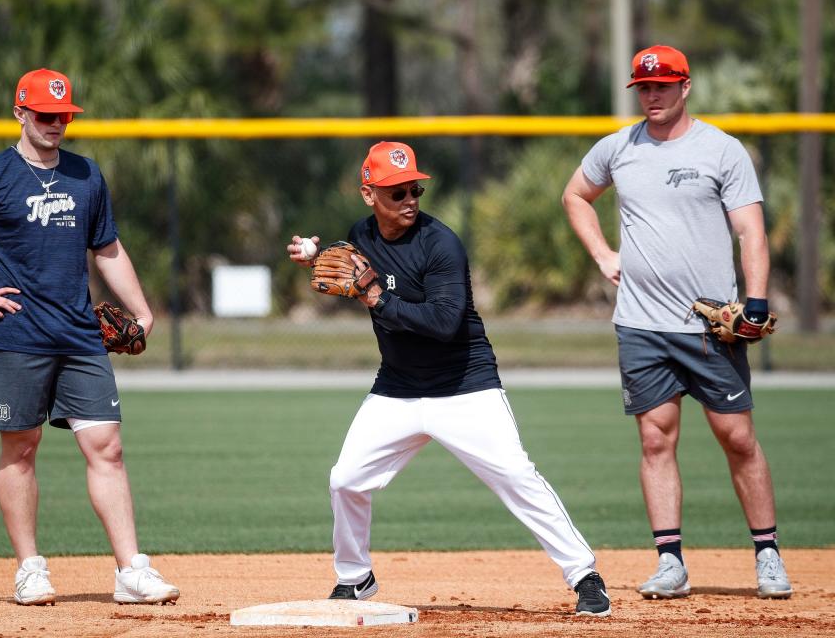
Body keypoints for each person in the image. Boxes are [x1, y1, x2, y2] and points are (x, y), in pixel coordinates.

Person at [287, 141, 611, 617]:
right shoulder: (362, 236)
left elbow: (443, 322)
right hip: (396, 388)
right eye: (396, 192)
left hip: (465, 385)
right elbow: (340, 258)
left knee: (517, 476)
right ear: (368, 194)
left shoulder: (441, 244)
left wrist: (375, 296)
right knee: (346, 480)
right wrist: (314, 254)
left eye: (414, 187)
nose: (410, 198)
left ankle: (585, 575)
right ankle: (355, 578)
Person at [0, 68, 179, 606]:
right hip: (14, 336)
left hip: (81, 335)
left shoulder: (85, 175)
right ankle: (30, 569)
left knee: (108, 447)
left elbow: (108, 249)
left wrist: (142, 311)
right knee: (21, 449)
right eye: (45, 115)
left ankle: (131, 570)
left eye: (64, 115)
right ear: (21, 113)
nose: (56, 123)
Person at [561, 45, 792, 600]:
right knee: (655, 438)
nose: (653, 94)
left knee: (737, 436)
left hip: (710, 325)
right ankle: (670, 561)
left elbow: (750, 231)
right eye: (644, 86)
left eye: (663, 84)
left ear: (685, 86)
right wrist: (602, 255)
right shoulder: (619, 148)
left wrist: (755, 298)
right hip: (641, 324)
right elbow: (575, 195)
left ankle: (767, 555)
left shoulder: (721, 150)